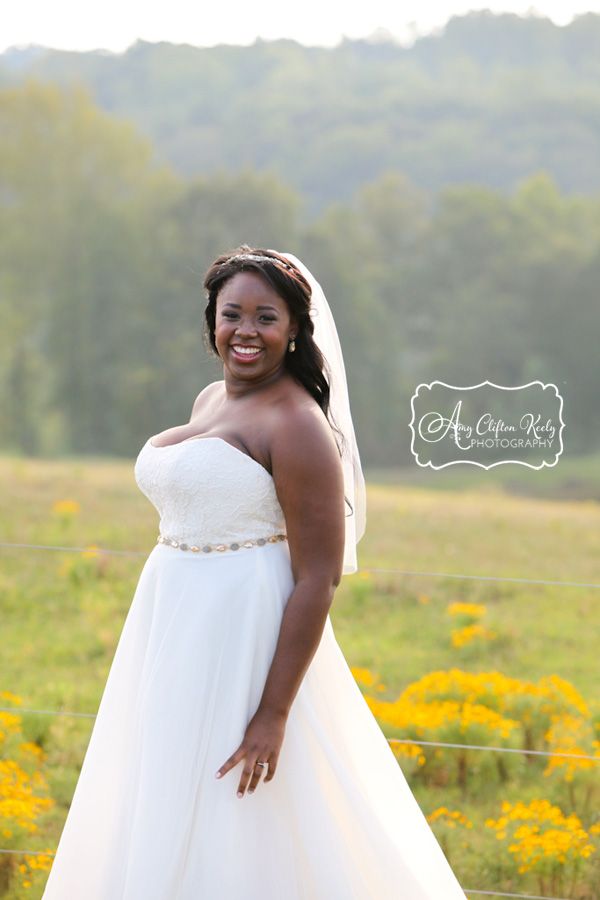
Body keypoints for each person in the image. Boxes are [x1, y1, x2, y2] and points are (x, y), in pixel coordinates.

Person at [41, 248, 467, 899]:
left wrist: (272, 712)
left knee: (233, 801)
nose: (245, 331)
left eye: (265, 317)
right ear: (211, 319)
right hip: (171, 619)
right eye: (230, 313)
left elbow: (319, 577)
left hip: (244, 634)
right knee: (167, 780)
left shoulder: (296, 425)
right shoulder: (212, 397)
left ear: (294, 328)